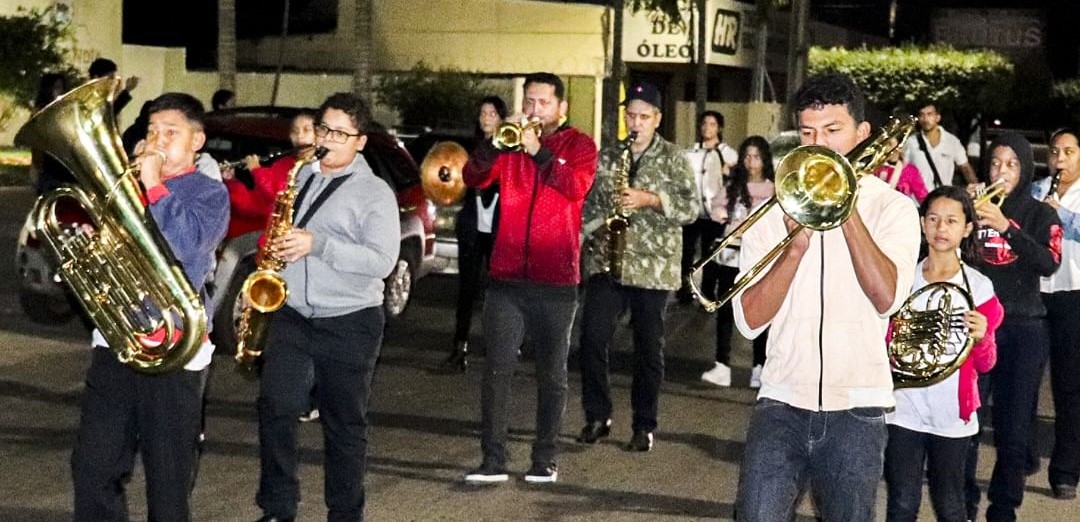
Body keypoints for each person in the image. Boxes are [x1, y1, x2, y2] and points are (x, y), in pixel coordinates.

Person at [731, 72, 922, 521]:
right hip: (780, 400)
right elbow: (748, 320)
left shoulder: (893, 208)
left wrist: (845, 206)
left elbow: (887, 297)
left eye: (833, 131)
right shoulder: (774, 210)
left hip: (858, 408)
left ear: (862, 134)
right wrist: (793, 248)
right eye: (808, 132)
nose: (819, 144)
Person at [70, 92, 229, 522]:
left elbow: (187, 244)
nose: (157, 140)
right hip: (117, 342)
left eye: (170, 132)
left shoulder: (209, 193)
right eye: (152, 131)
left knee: (168, 480)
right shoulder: (124, 187)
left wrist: (155, 184)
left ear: (197, 141)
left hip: (175, 349)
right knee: (92, 468)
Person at [254, 93, 399, 522]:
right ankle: (278, 507)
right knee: (276, 408)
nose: (327, 139)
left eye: (339, 133)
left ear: (360, 141)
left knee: (343, 424)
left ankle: (344, 512)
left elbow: (382, 261)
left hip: (350, 319)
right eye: (323, 129)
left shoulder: (375, 193)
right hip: (293, 314)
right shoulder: (300, 177)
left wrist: (320, 246)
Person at [461, 72, 598, 484]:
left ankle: (545, 459)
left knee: (551, 375)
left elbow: (575, 188)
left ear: (561, 108)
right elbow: (473, 177)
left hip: (556, 281)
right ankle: (493, 460)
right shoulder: (509, 143)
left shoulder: (580, 146)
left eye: (542, 102)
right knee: (497, 370)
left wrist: (538, 152)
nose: (533, 109)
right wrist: (492, 144)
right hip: (505, 277)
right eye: (529, 101)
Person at [576, 83, 699, 451]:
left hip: (653, 267)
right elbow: (592, 205)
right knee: (592, 338)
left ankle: (644, 424)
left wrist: (649, 199)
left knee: (649, 348)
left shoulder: (675, 158)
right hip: (608, 263)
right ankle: (598, 415)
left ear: (658, 119)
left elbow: (692, 209)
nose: (636, 122)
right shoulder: (610, 155)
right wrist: (585, 231)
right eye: (631, 115)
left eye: (644, 116)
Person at [884, 186, 1004, 522]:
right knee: (901, 503)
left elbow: (986, 363)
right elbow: (884, 343)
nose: (941, 228)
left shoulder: (979, 286)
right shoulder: (902, 277)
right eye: (933, 219)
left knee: (951, 504)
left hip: (951, 413)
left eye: (951, 221)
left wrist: (982, 338)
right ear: (922, 224)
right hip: (902, 409)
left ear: (967, 228)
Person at [971, 132, 1062, 521]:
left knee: (1013, 424)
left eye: (1011, 164)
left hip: (1024, 327)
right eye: (995, 162)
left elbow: (1049, 262)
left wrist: (1006, 226)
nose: (1001, 171)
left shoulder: (1042, 214)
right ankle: (963, 499)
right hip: (978, 324)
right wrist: (966, 215)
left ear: (1025, 168)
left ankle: (1004, 506)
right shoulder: (975, 205)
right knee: (968, 420)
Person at [700, 135, 775, 389]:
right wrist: (720, 214)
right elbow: (715, 205)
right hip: (730, 254)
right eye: (747, 156)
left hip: (759, 257)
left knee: (761, 312)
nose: (751, 162)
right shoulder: (734, 186)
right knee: (725, 311)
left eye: (756, 156)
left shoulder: (774, 189)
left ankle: (760, 366)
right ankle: (722, 365)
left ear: (765, 159)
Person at [442, 95, 508, 372]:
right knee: (467, 287)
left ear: (502, 118)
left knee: (499, 288)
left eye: (492, 113)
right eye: (483, 113)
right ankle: (460, 347)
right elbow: (454, 177)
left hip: (499, 220)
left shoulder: (510, 146)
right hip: (472, 218)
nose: (486, 118)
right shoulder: (467, 147)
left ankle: (502, 347)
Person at [1032, 127, 1080, 501]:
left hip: (1073, 296)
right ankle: (1023, 454)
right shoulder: (1036, 189)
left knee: (1069, 387)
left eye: (1069, 152)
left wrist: (1059, 215)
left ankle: (1065, 470)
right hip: (1035, 294)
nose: (1059, 159)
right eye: (1054, 152)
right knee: (1025, 382)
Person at [221, 109, 318, 240]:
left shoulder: (321, 168)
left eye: (307, 130)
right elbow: (254, 205)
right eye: (295, 131)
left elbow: (278, 194)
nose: (299, 136)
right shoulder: (283, 163)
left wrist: (257, 170)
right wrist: (232, 182)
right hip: (265, 238)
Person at [678, 110, 738, 303]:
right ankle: (685, 289)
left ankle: (707, 293)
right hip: (694, 210)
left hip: (714, 212)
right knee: (686, 252)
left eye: (712, 124)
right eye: (704, 124)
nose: (707, 128)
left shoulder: (728, 153)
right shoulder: (692, 150)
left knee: (710, 253)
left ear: (719, 128)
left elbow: (733, 181)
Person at [903, 102, 978, 189]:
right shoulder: (911, 142)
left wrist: (975, 186)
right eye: (921, 115)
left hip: (943, 197)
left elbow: (965, 167)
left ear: (938, 117)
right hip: (917, 199)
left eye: (929, 114)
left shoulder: (952, 141)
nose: (925, 119)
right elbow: (904, 169)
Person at [29, 73, 75, 194]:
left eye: (62, 87)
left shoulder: (65, 110)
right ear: (47, 90)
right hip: (49, 168)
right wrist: (36, 167)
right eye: (57, 87)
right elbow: (37, 143)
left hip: (65, 167)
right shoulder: (39, 112)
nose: (61, 91)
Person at [875, 135, 929, 203]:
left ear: (900, 146)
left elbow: (923, 198)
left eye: (889, 144)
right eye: (884, 144)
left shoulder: (910, 171)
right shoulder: (875, 168)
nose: (886, 148)